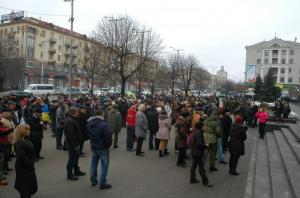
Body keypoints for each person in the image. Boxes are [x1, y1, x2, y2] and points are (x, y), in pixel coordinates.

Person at [86, 109, 113, 190]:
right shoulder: (104, 125)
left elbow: (88, 133)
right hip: (103, 147)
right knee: (104, 165)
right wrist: (108, 145)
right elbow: (108, 137)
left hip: (94, 146)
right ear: (102, 114)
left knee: (93, 163)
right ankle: (102, 183)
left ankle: (93, 181)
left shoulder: (90, 123)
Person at [13, 124, 38, 198]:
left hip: (27, 167)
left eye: (29, 129)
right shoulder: (20, 142)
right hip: (24, 168)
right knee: (25, 187)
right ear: (22, 131)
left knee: (28, 186)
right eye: (26, 130)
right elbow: (21, 156)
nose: (29, 131)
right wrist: (30, 164)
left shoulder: (25, 139)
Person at [64, 106, 85, 181]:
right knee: (72, 159)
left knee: (75, 158)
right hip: (73, 144)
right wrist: (76, 144)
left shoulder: (72, 119)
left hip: (75, 142)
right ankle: (69, 174)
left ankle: (76, 170)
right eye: (77, 111)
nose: (78, 112)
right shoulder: (70, 121)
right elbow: (70, 135)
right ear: (73, 112)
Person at [190, 121, 213, 187]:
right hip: (198, 152)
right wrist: (206, 145)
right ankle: (205, 182)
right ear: (200, 127)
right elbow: (200, 144)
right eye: (203, 126)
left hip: (194, 151)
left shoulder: (195, 132)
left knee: (194, 166)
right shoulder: (199, 133)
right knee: (201, 168)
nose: (204, 127)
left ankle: (192, 179)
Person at [0, 115, 14, 185]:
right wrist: (9, 130)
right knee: (1, 161)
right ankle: (0, 178)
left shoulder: (1, 123)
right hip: (1, 144)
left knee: (3, 160)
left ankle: (1, 176)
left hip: (3, 143)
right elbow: (1, 133)